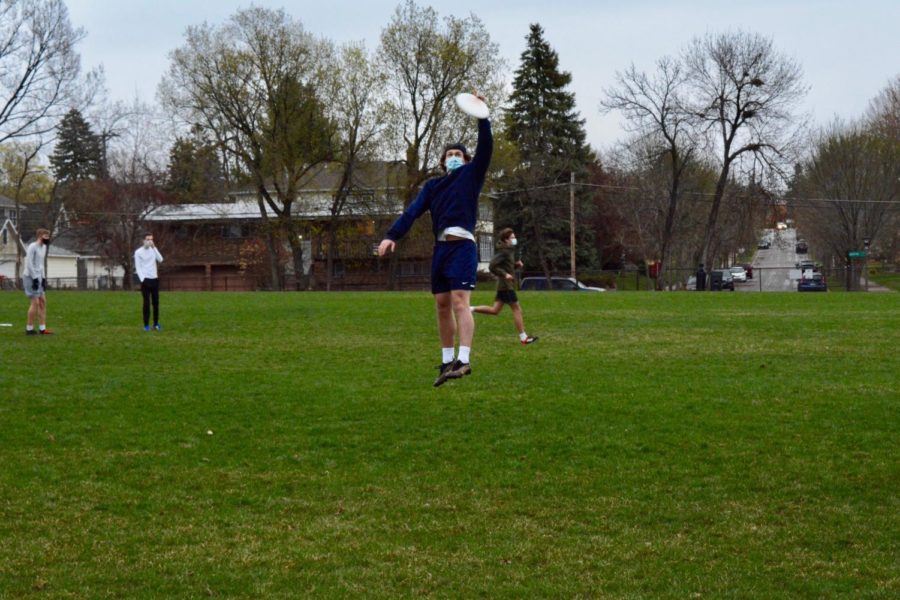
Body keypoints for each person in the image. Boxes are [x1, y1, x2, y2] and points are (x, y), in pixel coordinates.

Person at [378, 95, 492, 387]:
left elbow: (486, 149)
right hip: (440, 249)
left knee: (459, 301)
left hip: (463, 246)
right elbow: (413, 212)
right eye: (449, 154)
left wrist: (482, 116)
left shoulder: (470, 175)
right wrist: (392, 235)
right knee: (441, 304)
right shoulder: (432, 186)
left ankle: (464, 360)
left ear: (466, 160)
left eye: (459, 153)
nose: (453, 156)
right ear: (443, 161)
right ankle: (446, 361)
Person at [471, 228, 538, 345]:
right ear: (506, 240)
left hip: (504, 286)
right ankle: (523, 338)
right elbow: (492, 266)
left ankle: (470, 309)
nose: (514, 239)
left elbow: (507, 267)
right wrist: (505, 274)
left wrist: (516, 266)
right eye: (512, 238)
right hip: (506, 286)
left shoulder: (509, 251)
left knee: (495, 310)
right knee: (517, 309)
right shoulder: (504, 252)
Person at [22, 228, 53, 335]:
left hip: (39, 277)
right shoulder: (32, 246)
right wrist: (34, 278)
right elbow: (29, 263)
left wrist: (43, 278)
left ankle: (42, 328)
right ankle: (29, 328)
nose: (48, 239)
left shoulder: (43, 247)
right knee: (35, 302)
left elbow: (40, 264)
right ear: (40, 236)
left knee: (43, 302)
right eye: (46, 236)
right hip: (30, 277)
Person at [134, 232, 164, 331]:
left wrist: (154, 247)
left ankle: (156, 324)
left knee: (156, 303)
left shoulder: (153, 250)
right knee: (146, 303)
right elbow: (138, 268)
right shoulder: (138, 252)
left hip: (154, 279)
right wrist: (143, 279)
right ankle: (146, 325)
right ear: (143, 241)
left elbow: (160, 259)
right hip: (145, 281)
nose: (149, 241)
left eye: (151, 239)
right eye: (147, 239)